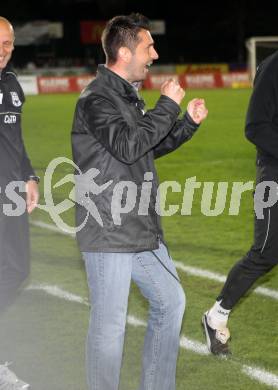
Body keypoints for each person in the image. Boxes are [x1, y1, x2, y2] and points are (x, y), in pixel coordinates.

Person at [72, 13, 208, 390]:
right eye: (148, 46)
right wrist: (166, 105)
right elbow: (129, 145)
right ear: (123, 50)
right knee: (110, 325)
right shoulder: (96, 99)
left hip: (137, 227)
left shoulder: (125, 97)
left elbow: (146, 147)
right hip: (108, 229)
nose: (154, 54)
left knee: (171, 302)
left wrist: (186, 124)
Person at [202, 50, 278, 356]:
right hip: (274, 174)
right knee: (267, 251)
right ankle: (215, 316)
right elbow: (255, 126)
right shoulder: (274, 68)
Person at [0, 16, 39, 389]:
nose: (3, 50)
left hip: (11, 195)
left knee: (16, 270)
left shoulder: (12, 84)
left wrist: (30, 177)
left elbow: (15, 140)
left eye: (9, 43)